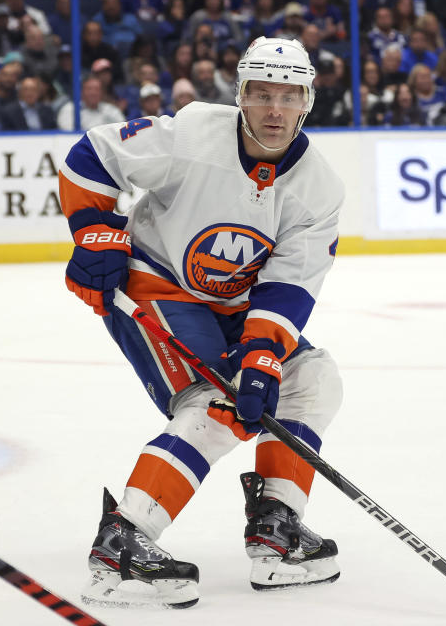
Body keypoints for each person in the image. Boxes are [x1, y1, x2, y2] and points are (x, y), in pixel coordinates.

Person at [58, 36, 343, 608]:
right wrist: (94, 230)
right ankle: (125, 539)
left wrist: (263, 354)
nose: (274, 109)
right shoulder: (192, 136)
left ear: (307, 101)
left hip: (234, 301)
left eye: (289, 96)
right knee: (216, 400)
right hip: (157, 279)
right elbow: (92, 155)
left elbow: (288, 285)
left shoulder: (319, 188)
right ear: (240, 95)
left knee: (312, 380)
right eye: (262, 94)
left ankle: (277, 526)